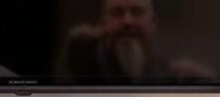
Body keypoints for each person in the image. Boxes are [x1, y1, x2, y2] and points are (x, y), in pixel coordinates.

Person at [63, 0, 212, 83]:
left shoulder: (170, 73)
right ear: (103, 23)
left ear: (153, 21)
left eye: (137, 12)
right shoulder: (83, 64)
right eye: (117, 13)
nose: (127, 21)